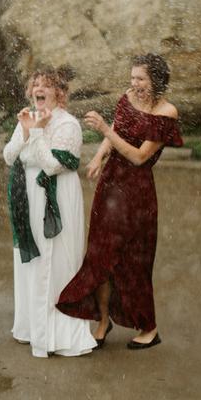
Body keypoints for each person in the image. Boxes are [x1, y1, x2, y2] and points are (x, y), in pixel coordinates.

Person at [57, 53, 182, 350]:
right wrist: (99, 156)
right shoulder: (127, 98)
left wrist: (104, 131)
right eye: (132, 78)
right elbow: (119, 128)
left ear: (156, 80)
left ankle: (149, 328)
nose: (134, 84)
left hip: (137, 194)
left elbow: (139, 157)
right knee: (100, 256)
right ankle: (103, 320)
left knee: (134, 261)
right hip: (110, 186)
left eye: (140, 79)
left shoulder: (167, 112)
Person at [3, 67, 97, 357]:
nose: (37, 90)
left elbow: (54, 166)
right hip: (28, 198)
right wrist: (26, 132)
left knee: (56, 260)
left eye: (45, 85)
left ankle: (56, 334)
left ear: (60, 93)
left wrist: (40, 134)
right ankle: (32, 328)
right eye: (34, 85)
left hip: (56, 198)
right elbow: (9, 157)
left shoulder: (69, 125)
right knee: (32, 260)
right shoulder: (27, 119)